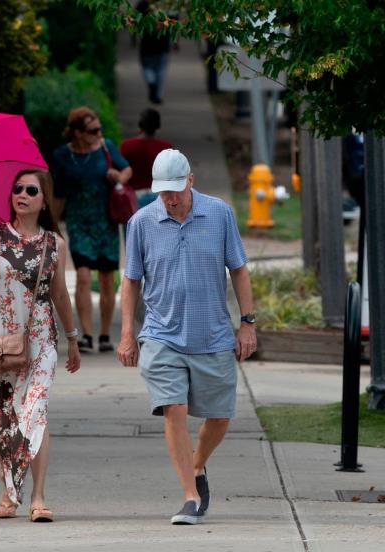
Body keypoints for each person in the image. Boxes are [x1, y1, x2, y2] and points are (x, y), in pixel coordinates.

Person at [117, 149, 257, 525]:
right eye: (163, 191)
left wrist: (247, 322)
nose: (171, 198)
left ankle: (196, 465)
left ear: (191, 180)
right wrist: (128, 333)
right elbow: (130, 282)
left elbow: (239, 271)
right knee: (173, 408)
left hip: (212, 334)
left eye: (176, 189)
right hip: (162, 335)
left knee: (220, 416)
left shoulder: (220, 213)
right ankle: (190, 497)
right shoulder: (142, 223)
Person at [0, 169, 81, 522]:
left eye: (31, 190)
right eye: (17, 188)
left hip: (40, 340)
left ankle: (38, 498)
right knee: (0, 414)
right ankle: (9, 489)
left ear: (44, 200)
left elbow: (59, 294)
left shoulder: (54, 244)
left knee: (35, 412)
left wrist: (73, 339)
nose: (22, 194)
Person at [52, 106, 132, 353]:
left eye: (99, 128)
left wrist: (118, 177)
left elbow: (127, 170)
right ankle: (86, 334)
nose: (98, 133)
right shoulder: (62, 156)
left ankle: (105, 334)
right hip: (78, 221)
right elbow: (58, 194)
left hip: (105, 220)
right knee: (84, 276)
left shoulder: (106, 147)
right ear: (76, 132)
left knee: (108, 279)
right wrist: (52, 226)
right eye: (92, 130)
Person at [120, 108, 173, 209]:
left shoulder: (127, 145)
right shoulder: (166, 147)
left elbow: (121, 170)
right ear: (158, 127)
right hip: (159, 195)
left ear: (140, 126)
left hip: (134, 194)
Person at [136, 0, 174, 104]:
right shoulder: (167, 4)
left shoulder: (142, 4)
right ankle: (157, 94)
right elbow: (174, 22)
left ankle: (152, 83)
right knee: (161, 70)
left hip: (147, 44)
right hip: (163, 43)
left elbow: (135, 21)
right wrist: (176, 41)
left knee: (147, 67)